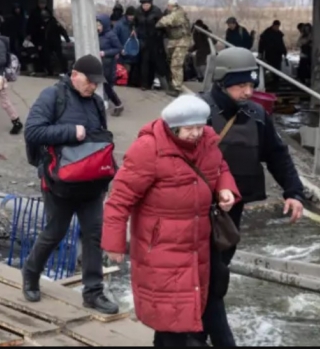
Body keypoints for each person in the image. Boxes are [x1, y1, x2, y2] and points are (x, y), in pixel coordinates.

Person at [102, 95, 240, 347]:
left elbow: (221, 170)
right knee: (169, 317)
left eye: (200, 127)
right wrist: (115, 242)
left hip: (199, 243)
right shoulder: (148, 149)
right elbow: (119, 198)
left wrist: (226, 189)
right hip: (162, 247)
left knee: (197, 305)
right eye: (189, 129)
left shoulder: (208, 143)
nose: (196, 134)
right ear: (173, 126)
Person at [198, 46, 306, 346]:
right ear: (221, 82)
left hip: (232, 213)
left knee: (214, 278)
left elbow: (277, 155)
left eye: (250, 84)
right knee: (213, 279)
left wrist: (293, 192)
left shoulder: (256, 114)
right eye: (240, 85)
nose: (247, 91)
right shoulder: (198, 112)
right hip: (196, 211)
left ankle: (195, 335)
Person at [21, 55, 119, 315]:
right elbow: (32, 131)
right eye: (90, 82)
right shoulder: (52, 96)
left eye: (97, 84)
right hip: (58, 181)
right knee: (55, 232)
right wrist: (70, 131)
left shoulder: (97, 103)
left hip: (91, 182)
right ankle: (31, 273)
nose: (93, 88)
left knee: (94, 234)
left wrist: (108, 175)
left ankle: (93, 291)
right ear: (75, 75)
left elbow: (100, 142)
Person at [156, 0, 192, 96]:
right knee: (170, 63)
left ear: (172, 6)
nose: (167, 7)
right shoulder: (173, 12)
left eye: (169, 6)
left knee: (176, 64)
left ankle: (177, 88)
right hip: (174, 40)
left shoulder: (178, 13)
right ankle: (173, 83)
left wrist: (157, 23)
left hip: (182, 41)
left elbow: (166, 21)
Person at [134, 0, 170, 92]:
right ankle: (145, 84)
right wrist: (134, 30)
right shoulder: (138, 11)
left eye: (147, 5)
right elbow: (134, 23)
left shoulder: (157, 11)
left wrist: (160, 35)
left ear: (150, 4)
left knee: (157, 63)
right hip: (143, 40)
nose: (145, 7)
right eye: (144, 5)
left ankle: (164, 84)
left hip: (155, 41)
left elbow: (163, 25)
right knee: (144, 63)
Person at [96, 15, 124, 116]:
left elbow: (118, 48)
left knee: (106, 86)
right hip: (99, 63)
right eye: (96, 24)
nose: (97, 26)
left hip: (108, 64)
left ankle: (118, 104)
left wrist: (105, 53)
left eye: (99, 24)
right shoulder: (97, 35)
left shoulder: (111, 35)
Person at [258, 20, 288, 89]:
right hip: (269, 54)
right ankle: (269, 81)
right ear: (273, 25)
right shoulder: (266, 33)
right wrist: (261, 52)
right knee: (270, 68)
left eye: (278, 26)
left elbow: (281, 44)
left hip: (278, 54)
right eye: (276, 26)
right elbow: (261, 44)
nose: (277, 28)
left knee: (277, 68)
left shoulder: (279, 34)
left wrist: (284, 52)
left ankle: (276, 82)